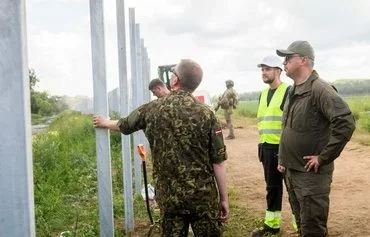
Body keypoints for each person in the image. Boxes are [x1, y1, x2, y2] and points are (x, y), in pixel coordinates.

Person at [93, 59, 229, 236]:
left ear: (175, 80)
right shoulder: (207, 113)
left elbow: (125, 125)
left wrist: (105, 122)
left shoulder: (152, 109)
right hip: (203, 198)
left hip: (170, 198)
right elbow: (218, 163)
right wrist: (224, 199)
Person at [276, 41, 356, 237]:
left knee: (313, 228)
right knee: (302, 224)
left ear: (303, 60)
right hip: (293, 171)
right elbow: (287, 127)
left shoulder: (320, 89)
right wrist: (282, 159)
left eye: (288, 58)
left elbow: (345, 122)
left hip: (311, 177)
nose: (284, 62)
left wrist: (323, 157)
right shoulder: (293, 90)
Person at [251, 55, 293, 236]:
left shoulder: (289, 91)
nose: (264, 72)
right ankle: (272, 224)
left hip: (286, 149)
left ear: (278, 71)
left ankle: (301, 226)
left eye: (267, 69)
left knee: (294, 189)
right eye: (262, 69)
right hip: (267, 148)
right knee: (272, 188)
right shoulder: (262, 94)